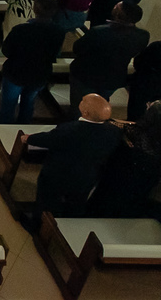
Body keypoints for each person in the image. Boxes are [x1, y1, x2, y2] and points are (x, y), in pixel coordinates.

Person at [24, 94, 121, 223]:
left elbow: (49, 139)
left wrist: (28, 138)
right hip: (87, 175)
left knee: (47, 200)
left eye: (83, 100)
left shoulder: (70, 129)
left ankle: (38, 225)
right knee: (76, 203)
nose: (81, 100)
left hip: (58, 173)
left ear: (85, 112)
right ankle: (69, 226)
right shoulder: (113, 132)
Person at [87, 99, 161, 218]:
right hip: (149, 175)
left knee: (105, 200)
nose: (146, 105)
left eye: (149, 107)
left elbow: (114, 126)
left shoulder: (134, 134)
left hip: (123, 172)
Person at [0, 0, 66, 123]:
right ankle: (23, 129)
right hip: (40, 73)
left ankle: (3, 130)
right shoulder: (59, 31)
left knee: (8, 105)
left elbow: (6, 50)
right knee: (28, 103)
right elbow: (54, 53)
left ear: (34, 9)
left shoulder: (21, 29)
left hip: (16, 72)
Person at [69, 1, 148, 107]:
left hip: (86, 75)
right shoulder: (143, 35)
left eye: (116, 6)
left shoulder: (98, 32)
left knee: (79, 106)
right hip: (114, 77)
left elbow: (77, 48)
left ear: (118, 14)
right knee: (101, 104)